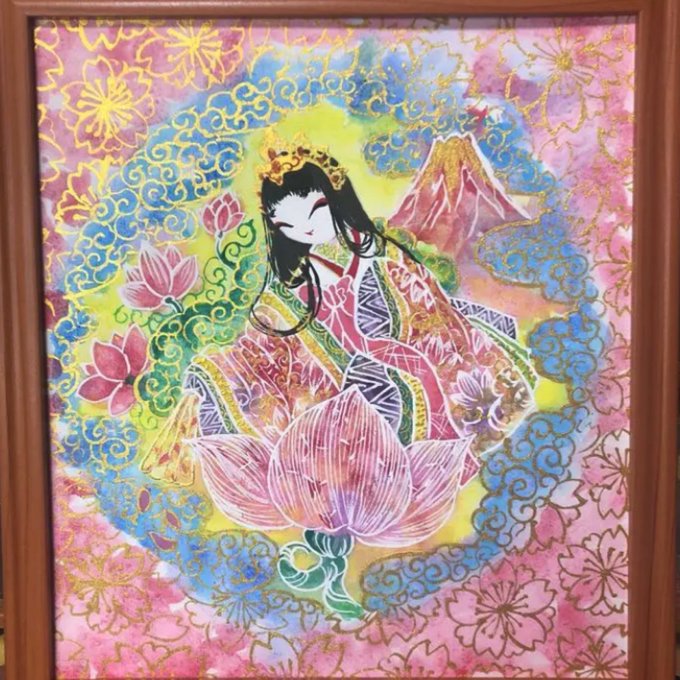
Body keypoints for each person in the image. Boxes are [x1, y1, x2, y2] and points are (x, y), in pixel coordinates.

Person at [165, 139, 535, 493]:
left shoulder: (381, 253)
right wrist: (218, 368)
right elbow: (270, 340)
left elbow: (424, 306)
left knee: (415, 376)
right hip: (331, 370)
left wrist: (392, 333)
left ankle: (434, 467)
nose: (306, 229)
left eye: (315, 210)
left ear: (336, 198)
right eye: (288, 225)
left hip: (397, 351)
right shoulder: (295, 280)